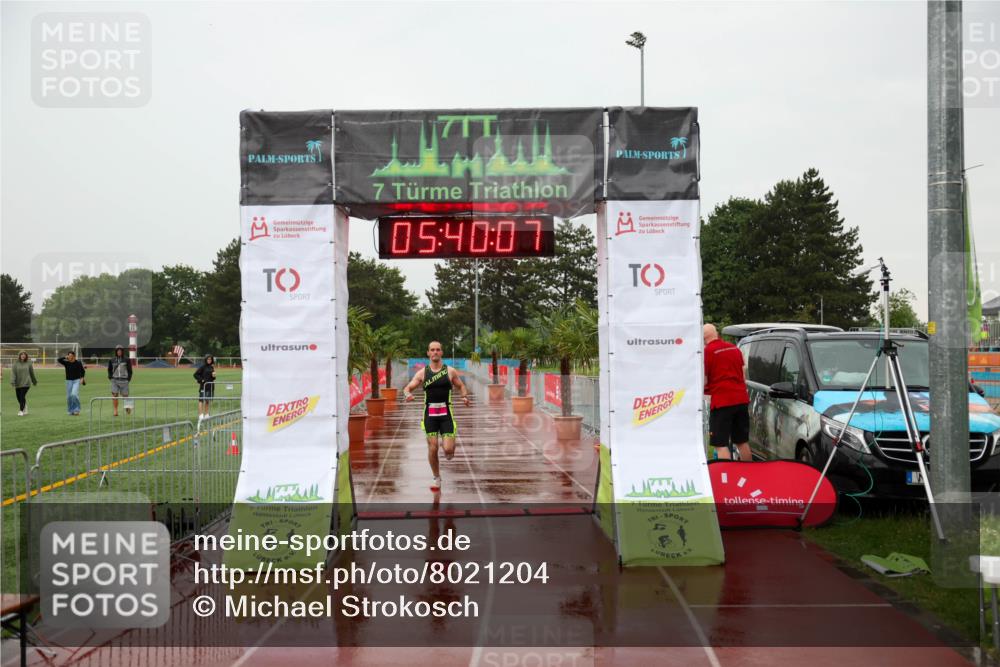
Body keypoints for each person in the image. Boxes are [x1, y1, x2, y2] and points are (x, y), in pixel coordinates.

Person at [402, 341, 471, 491]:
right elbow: (408, 387)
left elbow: (461, 386)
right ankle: (436, 478)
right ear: (428, 353)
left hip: (447, 414)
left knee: (447, 450)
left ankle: (450, 447)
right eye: (432, 350)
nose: (435, 352)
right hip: (430, 415)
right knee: (433, 447)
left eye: (437, 350)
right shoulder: (422, 373)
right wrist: (407, 394)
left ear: (441, 353)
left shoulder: (450, 371)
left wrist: (464, 396)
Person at [703, 324, 751, 461]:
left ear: (703, 337)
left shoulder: (707, 352)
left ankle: (727, 476)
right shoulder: (734, 348)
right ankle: (750, 473)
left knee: (720, 444)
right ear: (716, 333)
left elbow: (704, 379)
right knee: (742, 441)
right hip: (741, 399)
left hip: (722, 402)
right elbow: (743, 375)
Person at [57, 351, 86, 416]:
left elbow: (83, 371)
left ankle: (77, 410)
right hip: (68, 381)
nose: (69, 357)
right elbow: (58, 360)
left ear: (74, 356)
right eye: (68, 356)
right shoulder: (66, 363)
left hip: (76, 380)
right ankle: (70, 410)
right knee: (69, 397)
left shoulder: (78, 363)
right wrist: (65, 357)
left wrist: (82, 378)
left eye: (70, 356)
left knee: (74, 394)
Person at [107, 345, 133, 417]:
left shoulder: (127, 359)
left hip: (124, 380)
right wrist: (110, 377)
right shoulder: (112, 360)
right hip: (114, 380)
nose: (119, 352)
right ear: (116, 352)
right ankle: (115, 410)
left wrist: (128, 379)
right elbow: (109, 369)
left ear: (122, 351)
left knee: (125, 396)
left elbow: (130, 370)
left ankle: (128, 408)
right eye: (118, 351)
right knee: (114, 395)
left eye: (120, 350)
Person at [10, 351, 37, 416]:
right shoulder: (15, 363)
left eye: (24, 355)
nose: (23, 356)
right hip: (18, 383)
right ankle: (25, 407)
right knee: (18, 397)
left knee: (22, 396)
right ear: (19, 355)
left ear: (26, 356)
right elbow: (13, 373)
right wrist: (12, 381)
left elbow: (31, 373)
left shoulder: (29, 363)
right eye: (22, 354)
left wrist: (34, 381)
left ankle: (21, 411)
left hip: (26, 383)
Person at [194, 355, 216, 423]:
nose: (209, 360)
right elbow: (195, 374)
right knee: (201, 400)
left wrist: (214, 376)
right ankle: (200, 415)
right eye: (208, 359)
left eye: (210, 359)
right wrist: (201, 380)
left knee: (207, 400)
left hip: (210, 386)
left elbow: (213, 378)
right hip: (203, 386)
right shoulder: (203, 367)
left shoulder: (212, 367)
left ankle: (206, 414)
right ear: (206, 359)